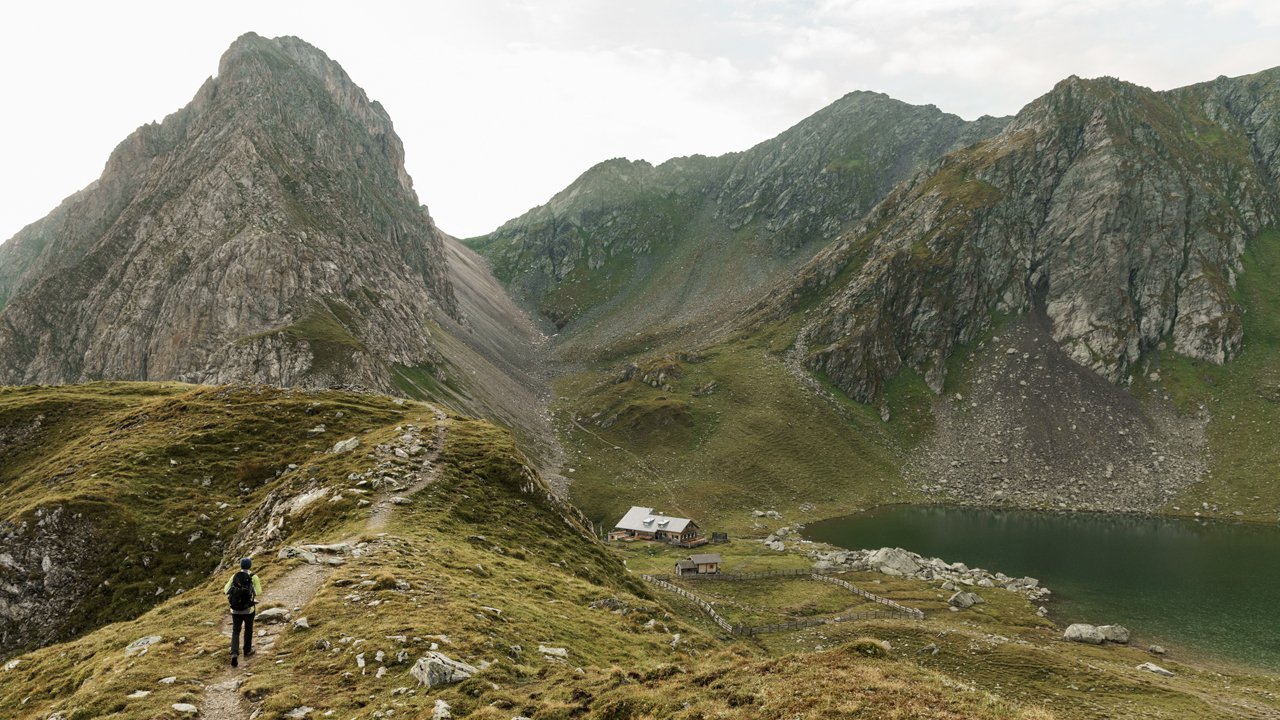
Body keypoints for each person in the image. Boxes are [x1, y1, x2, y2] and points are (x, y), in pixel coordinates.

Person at [223, 557, 263, 667]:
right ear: (250, 565)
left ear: (240, 565)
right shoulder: (254, 577)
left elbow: (226, 590)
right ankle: (247, 650)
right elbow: (258, 592)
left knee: (236, 630)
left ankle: (234, 653)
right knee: (248, 629)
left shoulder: (234, 576)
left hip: (235, 609)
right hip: (248, 609)